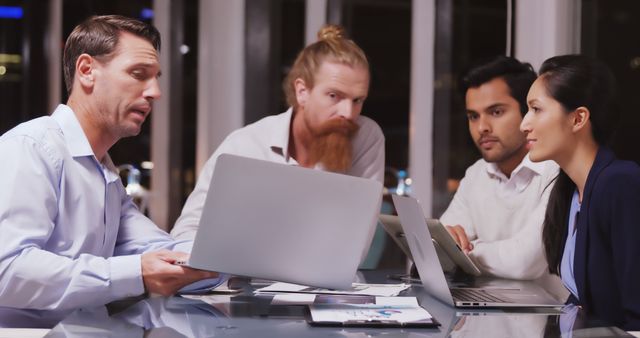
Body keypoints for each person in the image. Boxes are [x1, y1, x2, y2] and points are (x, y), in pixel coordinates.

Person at [0, 15, 220, 312]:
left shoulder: (103, 171)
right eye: (138, 73)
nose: (155, 92)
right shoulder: (31, 148)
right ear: (87, 71)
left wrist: (227, 256)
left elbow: (157, 249)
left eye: (155, 78)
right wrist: (136, 273)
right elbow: (8, 271)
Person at [171, 24, 385, 241]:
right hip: (241, 271)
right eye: (334, 96)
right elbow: (187, 231)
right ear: (302, 92)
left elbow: (356, 240)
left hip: (327, 274)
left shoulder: (365, 137)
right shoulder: (246, 145)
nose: (348, 113)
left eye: (358, 100)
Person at [521, 54, 640, 330]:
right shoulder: (570, 191)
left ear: (578, 119)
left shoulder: (620, 183)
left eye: (536, 109)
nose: (524, 124)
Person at [440, 56, 566, 299]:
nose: (482, 127)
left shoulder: (556, 170)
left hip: (551, 327)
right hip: (486, 319)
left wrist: (465, 252)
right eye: (473, 116)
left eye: (496, 112)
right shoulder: (477, 173)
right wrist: (451, 250)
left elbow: (524, 262)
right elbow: (439, 247)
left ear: (527, 112)